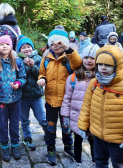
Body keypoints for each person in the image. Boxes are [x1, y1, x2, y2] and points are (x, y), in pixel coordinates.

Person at [77, 45, 123, 168]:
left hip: (117, 137)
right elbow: (86, 106)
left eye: (108, 65)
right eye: (100, 64)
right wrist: (83, 126)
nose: (103, 68)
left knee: (119, 163)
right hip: (97, 134)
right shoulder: (94, 83)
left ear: (118, 66)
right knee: (100, 161)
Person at [37, 29, 82, 165]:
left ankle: (68, 147)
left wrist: (68, 49)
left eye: (59, 43)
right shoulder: (45, 59)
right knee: (50, 127)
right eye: (52, 43)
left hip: (66, 102)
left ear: (64, 43)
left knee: (66, 127)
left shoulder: (70, 58)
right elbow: (41, 73)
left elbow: (78, 64)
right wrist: (42, 79)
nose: (55, 46)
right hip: (50, 101)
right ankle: (51, 148)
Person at [0, 35, 26, 162]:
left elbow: (23, 77)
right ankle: (4, 146)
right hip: (1, 101)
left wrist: (18, 83)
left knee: (14, 125)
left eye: (7, 44)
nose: (4, 46)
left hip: (16, 100)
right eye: (2, 44)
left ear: (11, 47)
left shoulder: (18, 62)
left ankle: (15, 145)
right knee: (3, 125)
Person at [60, 44, 100, 165]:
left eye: (93, 58)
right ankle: (78, 161)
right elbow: (67, 98)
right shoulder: (73, 78)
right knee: (78, 139)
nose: (89, 60)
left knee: (94, 141)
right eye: (86, 57)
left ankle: (95, 161)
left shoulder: (101, 79)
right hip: (77, 116)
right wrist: (65, 116)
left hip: (94, 117)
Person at [0, 3, 22, 131]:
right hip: (14, 59)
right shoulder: (15, 26)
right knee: (13, 86)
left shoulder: (0, 28)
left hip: (1, 61)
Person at [16, 36, 47, 151]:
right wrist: (24, 65)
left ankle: (47, 132)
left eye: (28, 47)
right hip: (23, 96)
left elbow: (40, 75)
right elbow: (18, 75)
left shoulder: (38, 59)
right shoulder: (17, 61)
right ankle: (27, 138)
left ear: (32, 48)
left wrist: (32, 66)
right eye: (23, 48)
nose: (26, 49)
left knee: (42, 118)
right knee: (24, 119)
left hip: (35, 95)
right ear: (19, 50)